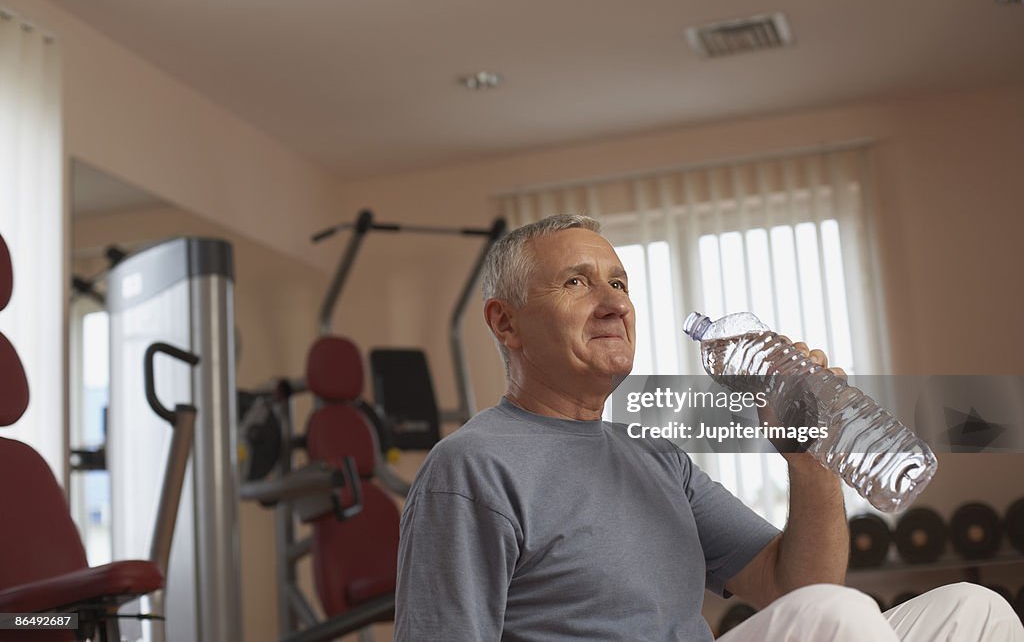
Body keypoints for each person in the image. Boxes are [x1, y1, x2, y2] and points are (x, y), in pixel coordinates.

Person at [394, 214, 1023, 641]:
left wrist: (809, 460)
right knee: (839, 616)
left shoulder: (656, 457)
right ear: (505, 324)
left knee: (976, 610)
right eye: (577, 283)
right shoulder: (472, 466)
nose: (614, 301)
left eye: (619, 283)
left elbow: (795, 588)